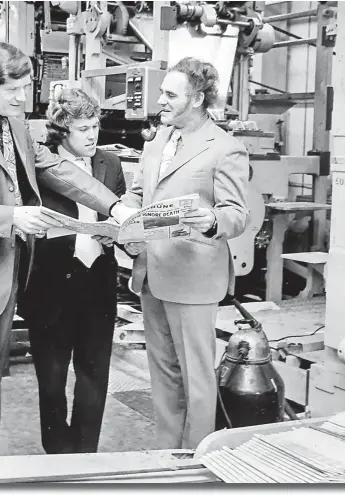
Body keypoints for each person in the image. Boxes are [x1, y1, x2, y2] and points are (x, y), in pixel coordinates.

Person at [0, 42, 133, 459]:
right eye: (14, 88)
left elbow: (58, 170)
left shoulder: (15, 126)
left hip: (7, 273)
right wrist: (12, 217)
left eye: (26, 86)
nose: (24, 97)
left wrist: (115, 205)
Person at [113, 57, 249, 449]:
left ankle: (195, 459)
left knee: (197, 378)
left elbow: (236, 215)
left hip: (192, 278)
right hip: (151, 272)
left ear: (198, 98)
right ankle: (168, 452)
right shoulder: (158, 141)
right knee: (164, 374)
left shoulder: (225, 149)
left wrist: (209, 219)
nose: (161, 100)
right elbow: (139, 191)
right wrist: (123, 214)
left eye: (170, 94)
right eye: (162, 92)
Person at [17, 88, 126, 454]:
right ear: (63, 130)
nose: (93, 135)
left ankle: (85, 455)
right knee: (51, 379)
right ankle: (58, 453)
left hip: (97, 283)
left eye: (96, 126)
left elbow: (121, 211)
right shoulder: (39, 164)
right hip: (52, 285)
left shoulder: (109, 164)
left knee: (94, 376)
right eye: (83, 128)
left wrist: (119, 237)